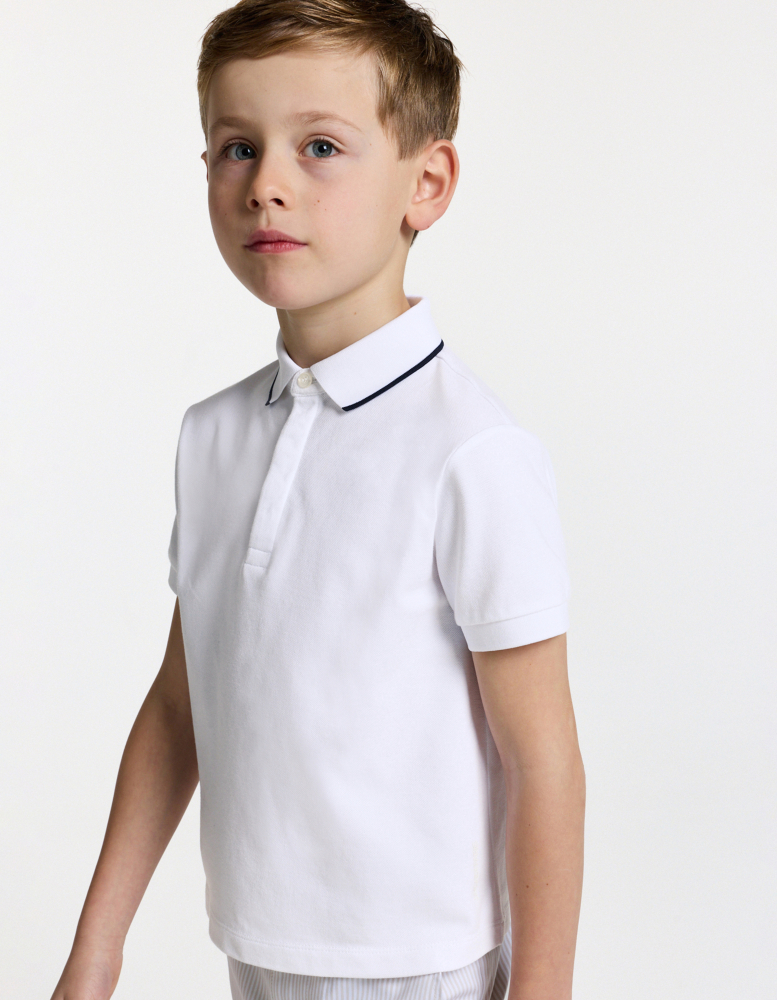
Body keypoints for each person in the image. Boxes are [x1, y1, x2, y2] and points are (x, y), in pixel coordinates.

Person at [49, 2, 585, 998]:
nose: (267, 185)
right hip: (256, 949)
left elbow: (542, 759)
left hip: (419, 968)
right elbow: (180, 706)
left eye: (321, 147)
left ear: (426, 184)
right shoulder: (212, 436)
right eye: (237, 147)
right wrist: (96, 950)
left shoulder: (471, 451)